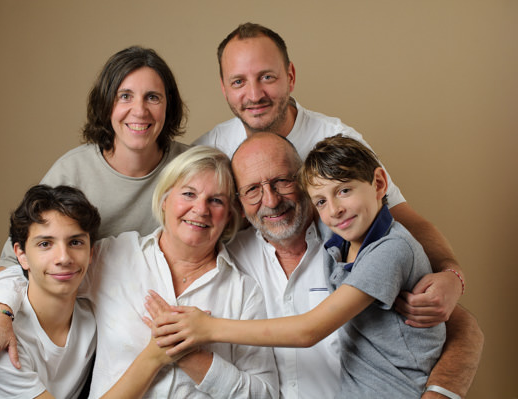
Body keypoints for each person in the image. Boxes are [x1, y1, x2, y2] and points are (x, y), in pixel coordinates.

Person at [150, 133, 483, 398]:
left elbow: (309, 330)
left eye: (282, 181)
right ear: (238, 202)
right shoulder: (229, 260)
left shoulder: (364, 245)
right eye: (253, 189)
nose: (270, 200)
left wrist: (453, 275)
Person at [194, 22, 465, 325]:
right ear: (224, 88)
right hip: (259, 298)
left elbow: (403, 218)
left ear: (290, 76)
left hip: (337, 298)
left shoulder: (336, 138)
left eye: (267, 77)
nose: (254, 94)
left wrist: (452, 275)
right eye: (238, 82)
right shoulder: (210, 150)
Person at [0, 46, 191, 375]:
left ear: (169, 105)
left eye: (153, 97)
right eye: (125, 96)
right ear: (106, 103)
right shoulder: (74, 170)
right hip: (82, 332)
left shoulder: (190, 169)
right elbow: (19, 257)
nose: (139, 110)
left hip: (157, 325)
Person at [0, 146, 279, 398]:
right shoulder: (114, 255)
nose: (200, 209)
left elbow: (266, 394)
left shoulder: (244, 292)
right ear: (164, 198)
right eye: (188, 194)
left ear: (230, 216)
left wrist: (192, 355)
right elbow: (39, 274)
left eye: (216, 200)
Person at [0, 185, 99, 398]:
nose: (64, 258)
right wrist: (152, 358)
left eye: (75, 242)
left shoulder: (90, 314)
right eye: (45, 244)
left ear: (91, 252)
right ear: (21, 255)